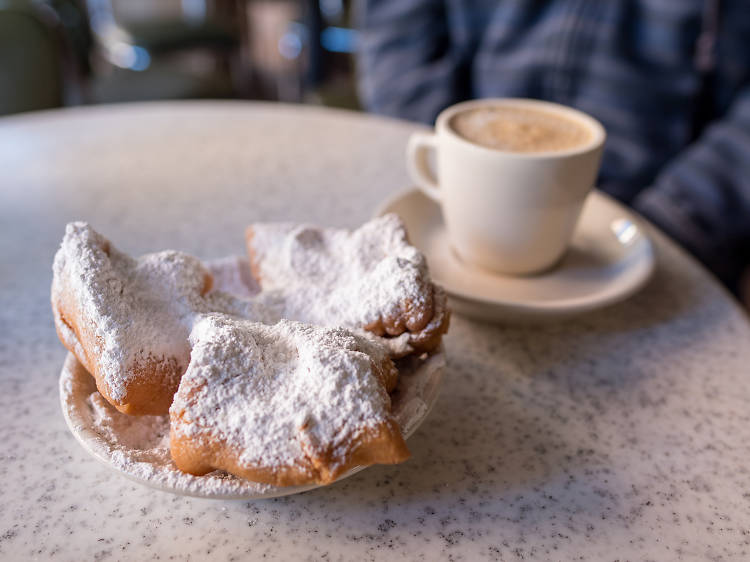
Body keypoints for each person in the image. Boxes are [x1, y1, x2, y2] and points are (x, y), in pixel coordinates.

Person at [355, 0, 750, 298]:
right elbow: (396, 29)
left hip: (671, 228)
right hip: (462, 171)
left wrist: (678, 222)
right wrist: (454, 162)